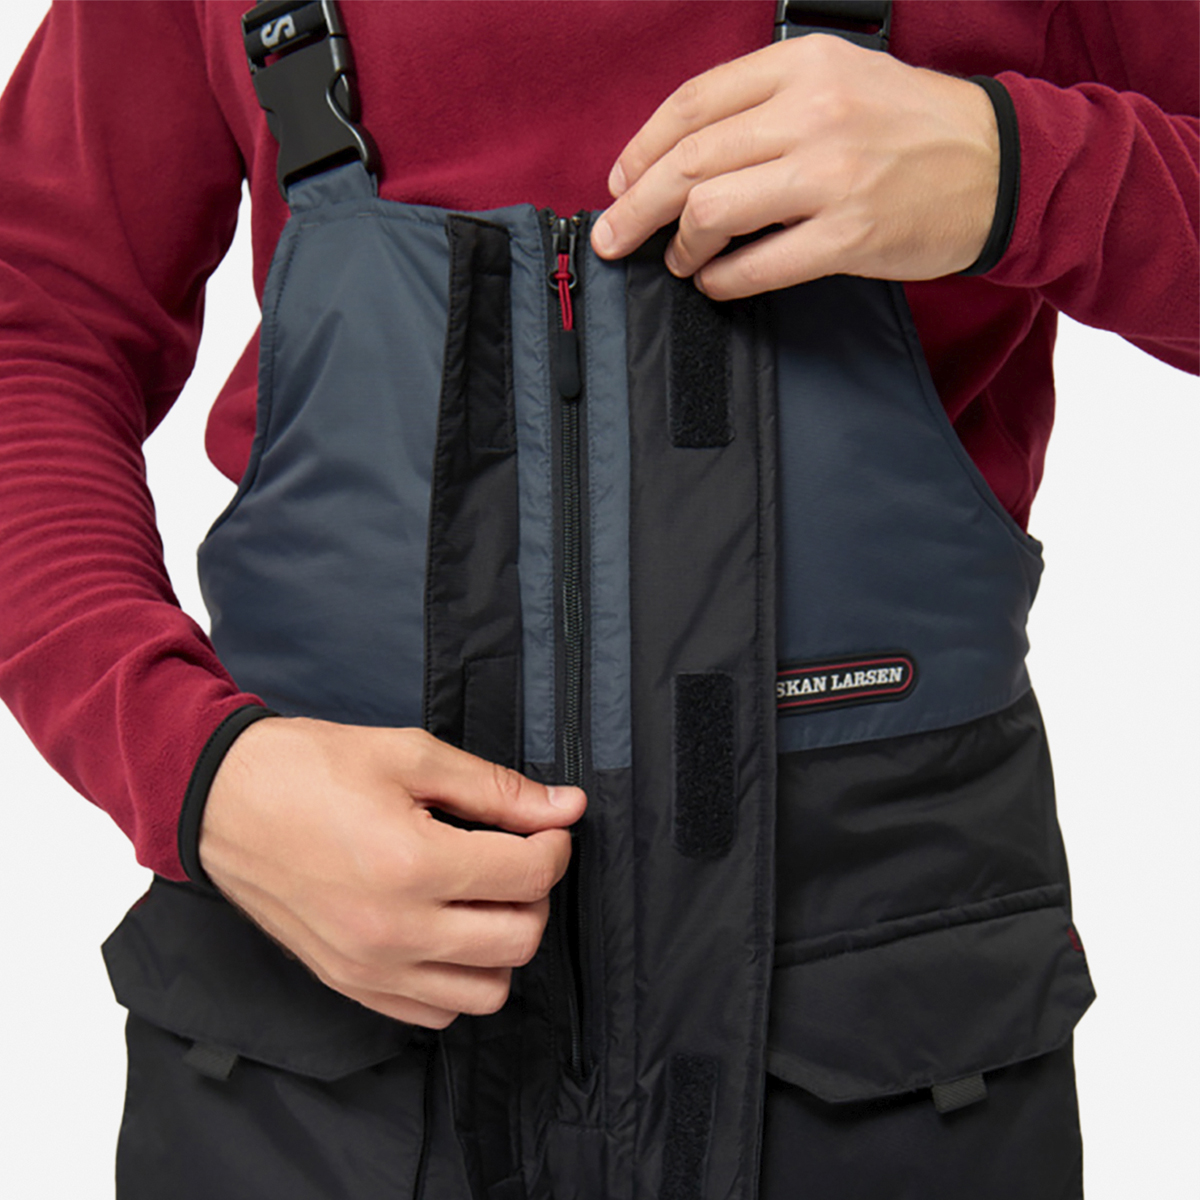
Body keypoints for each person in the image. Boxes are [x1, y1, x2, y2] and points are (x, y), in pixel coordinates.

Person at [0, 2, 1195, 1197]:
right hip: (310, 1054)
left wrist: (1017, 171)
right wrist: (198, 773)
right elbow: (32, 321)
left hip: (887, 1057)